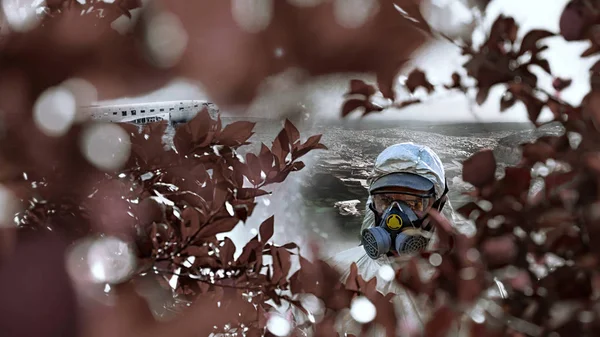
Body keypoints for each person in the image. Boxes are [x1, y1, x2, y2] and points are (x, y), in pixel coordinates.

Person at [325, 142, 466, 336]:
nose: (395, 218)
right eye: (385, 201)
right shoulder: (339, 270)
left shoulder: (466, 288)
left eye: (413, 202)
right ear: (372, 204)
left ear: (439, 206)